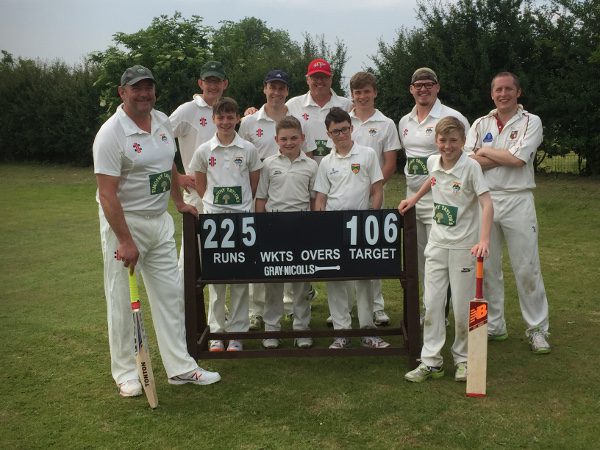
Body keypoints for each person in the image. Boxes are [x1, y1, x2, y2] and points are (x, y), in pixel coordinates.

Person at [93, 65, 221, 398]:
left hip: (159, 220)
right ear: (123, 92)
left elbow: (169, 164)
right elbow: (107, 193)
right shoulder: (111, 134)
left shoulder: (162, 120)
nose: (144, 93)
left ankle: (180, 367)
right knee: (122, 300)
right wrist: (124, 239)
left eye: (148, 87)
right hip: (126, 222)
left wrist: (178, 200)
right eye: (137, 88)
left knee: (169, 295)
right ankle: (125, 373)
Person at [399, 116, 493, 382]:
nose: (448, 146)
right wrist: (413, 199)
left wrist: (483, 240)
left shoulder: (471, 167)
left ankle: (463, 360)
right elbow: (432, 181)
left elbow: (487, 204)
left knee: (463, 308)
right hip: (437, 244)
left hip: (464, 246)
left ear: (463, 142)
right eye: (443, 140)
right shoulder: (432, 162)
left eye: (453, 141)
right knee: (432, 304)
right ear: (436, 141)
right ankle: (431, 362)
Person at [465, 72, 550, 354]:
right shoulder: (480, 123)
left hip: (518, 200)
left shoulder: (530, 121)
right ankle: (494, 326)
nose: (503, 94)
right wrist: (501, 155)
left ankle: (537, 329)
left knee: (526, 267)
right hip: (485, 200)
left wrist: (486, 151)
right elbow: (467, 163)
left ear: (518, 92)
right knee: (487, 267)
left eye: (508, 89)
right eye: (498, 90)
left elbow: (518, 159)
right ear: (492, 94)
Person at [189, 97, 262, 352]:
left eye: (230, 117)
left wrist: (240, 205)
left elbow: (253, 183)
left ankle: (238, 333)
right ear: (213, 120)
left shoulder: (248, 149)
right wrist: (211, 203)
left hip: (241, 218)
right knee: (217, 280)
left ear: (237, 119)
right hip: (214, 221)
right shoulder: (204, 150)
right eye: (221, 118)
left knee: (240, 279)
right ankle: (218, 333)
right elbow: (199, 182)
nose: (226, 122)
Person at [313, 107, 390, 349]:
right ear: (329, 133)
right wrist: (323, 224)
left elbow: (378, 190)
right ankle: (341, 332)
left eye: (344, 129)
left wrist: (372, 219)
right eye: (336, 131)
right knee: (336, 279)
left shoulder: (367, 155)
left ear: (351, 128)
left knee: (364, 279)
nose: (341, 134)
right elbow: (320, 198)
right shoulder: (326, 161)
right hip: (335, 227)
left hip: (362, 227)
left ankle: (368, 331)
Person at [398, 68, 470, 323]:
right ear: (411, 89)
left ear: (437, 87)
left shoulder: (452, 116)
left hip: (443, 200)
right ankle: (427, 310)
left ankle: (442, 312)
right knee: (419, 260)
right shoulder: (405, 121)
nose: (423, 89)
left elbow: (466, 160)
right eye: (418, 84)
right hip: (413, 199)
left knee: (440, 258)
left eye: (429, 84)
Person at [238, 69, 297, 331]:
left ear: (287, 91)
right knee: (258, 254)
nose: (276, 92)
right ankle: (255, 311)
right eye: (272, 87)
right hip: (258, 194)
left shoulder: (294, 118)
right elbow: (239, 156)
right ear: (264, 89)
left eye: (281, 87)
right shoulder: (250, 122)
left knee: (291, 253)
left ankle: (292, 308)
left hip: (288, 195)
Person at [255, 116, 318, 349]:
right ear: (276, 140)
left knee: (301, 283)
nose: (289, 143)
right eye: (284, 139)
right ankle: (271, 329)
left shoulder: (311, 166)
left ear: (302, 138)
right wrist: (261, 229)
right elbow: (261, 198)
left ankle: (302, 328)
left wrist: (312, 228)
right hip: (273, 227)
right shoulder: (269, 164)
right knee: (273, 282)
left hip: (301, 227)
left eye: (294, 138)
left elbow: (314, 200)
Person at [348, 71, 401, 326]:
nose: (362, 96)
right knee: (346, 251)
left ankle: (377, 307)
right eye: (357, 92)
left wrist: (373, 190)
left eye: (366, 91)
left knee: (372, 251)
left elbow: (390, 163)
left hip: (374, 195)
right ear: (352, 95)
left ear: (375, 92)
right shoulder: (343, 121)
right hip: (345, 198)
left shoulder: (386, 124)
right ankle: (345, 308)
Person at [169, 61, 228, 271]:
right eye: (209, 81)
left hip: (225, 192)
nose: (213, 86)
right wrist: (178, 178)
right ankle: (182, 302)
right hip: (196, 191)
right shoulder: (187, 110)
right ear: (200, 83)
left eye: (217, 81)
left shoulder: (226, 109)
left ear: (225, 84)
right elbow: (159, 141)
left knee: (221, 251)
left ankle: (217, 304)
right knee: (192, 252)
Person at [286, 58, 353, 163]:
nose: (320, 81)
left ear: (331, 79)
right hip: (303, 170)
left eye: (324, 77)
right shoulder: (292, 105)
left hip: (339, 169)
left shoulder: (346, 105)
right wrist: (252, 111)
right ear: (307, 79)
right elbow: (275, 117)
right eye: (315, 77)